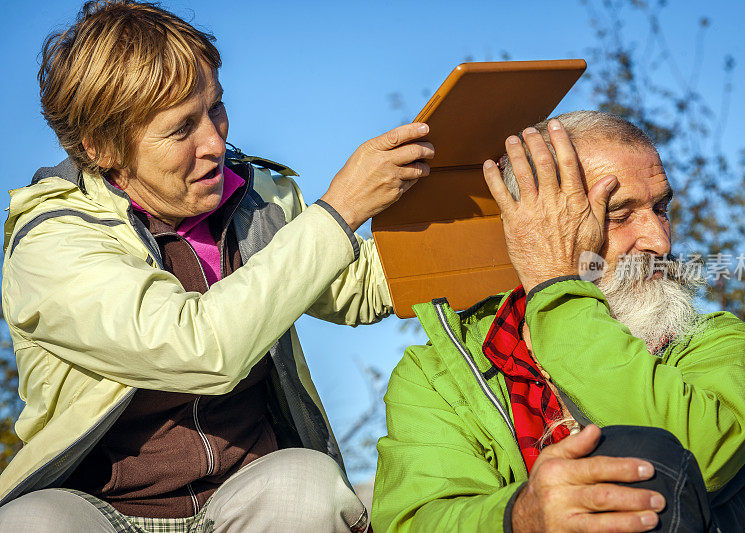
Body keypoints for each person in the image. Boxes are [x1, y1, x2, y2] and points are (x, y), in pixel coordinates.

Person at [0, 1, 435, 531]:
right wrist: (339, 212)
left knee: (308, 483)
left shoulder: (257, 198)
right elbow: (200, 349)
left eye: (216, 108)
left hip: (246, 493)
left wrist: (490, 217)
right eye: (182, 129)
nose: (215, 141)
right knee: (30, 521)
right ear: (103, 148)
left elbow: (358, 287)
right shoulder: (51, 244)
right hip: (101, 509)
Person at [372, 111, 745, 532]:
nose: (660, 241)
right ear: (535, 226)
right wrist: (521, 514)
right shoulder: (437, 374)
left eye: (661, 207)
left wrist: (555, 287)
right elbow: (414, 521)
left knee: (634, 450)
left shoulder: (718, 341)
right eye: (619, 214)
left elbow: (686, 458)